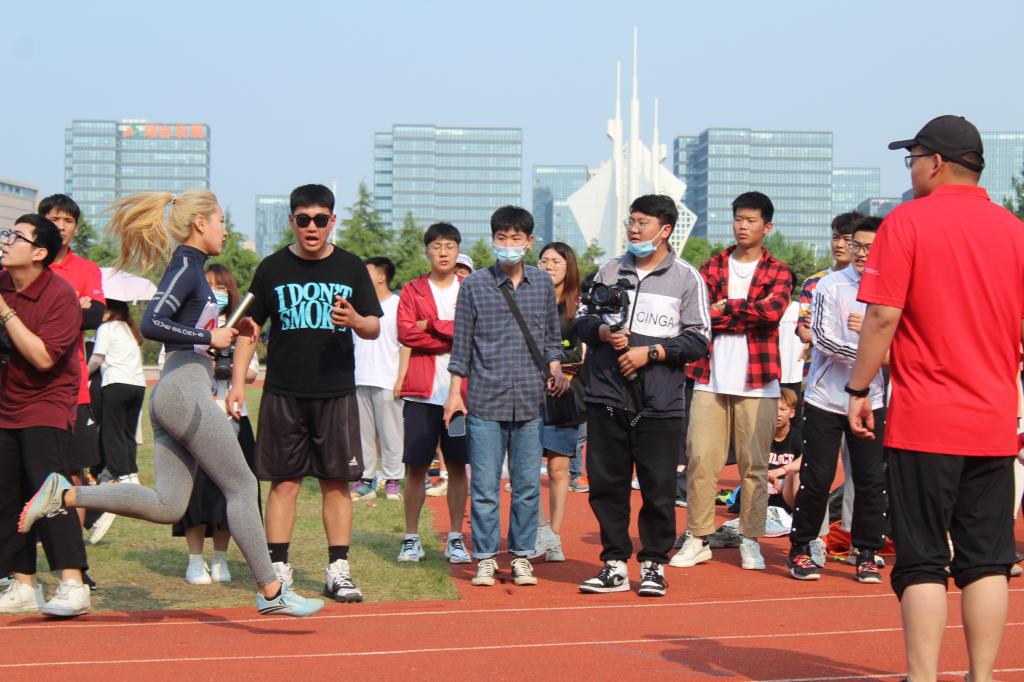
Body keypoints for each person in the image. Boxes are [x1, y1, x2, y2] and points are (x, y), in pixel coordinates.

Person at [19, 190, 324, 617]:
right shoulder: (185, 265)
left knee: (169, 504)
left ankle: (66, 495)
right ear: (200, 223)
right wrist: (209, 336)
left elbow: (184, 329)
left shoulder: (192, 267)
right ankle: (271, 591)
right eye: (220, 220)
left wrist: (225, 334)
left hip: (177, 390)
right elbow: (152, 322)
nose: (224, 230)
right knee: (241, 485)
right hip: (184, 392)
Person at [848, 115, 1024, 682]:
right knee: (988, 558)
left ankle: (922, 676)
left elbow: (882, 316)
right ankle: (982, 675)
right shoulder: (1014, 230)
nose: (912, 169)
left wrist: (858, 388)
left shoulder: (907, 222)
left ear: (937, 162)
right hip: (993, 418)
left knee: (922, 558)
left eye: (913, 158)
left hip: (925, 418)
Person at [227, 184, 382, 604]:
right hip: (284, 393)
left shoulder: (351, 267)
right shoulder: (272, 268)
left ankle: (338, 570)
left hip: (336, 392)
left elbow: (373, 326)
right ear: (291, 221)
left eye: (320, 219)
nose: (312, 227)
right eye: (303, 219)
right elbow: (248, 331)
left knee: (337, 483)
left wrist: (356, 320)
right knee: (284, 483)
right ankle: (277, 570)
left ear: (332, 221)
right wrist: (238, 383)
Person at [574, 195, 710, 596]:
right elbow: (581, 320)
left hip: (659, 402)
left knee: (658, 488)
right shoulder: (609, 269)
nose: (633, 229)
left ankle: (653, 564)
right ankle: (614, 564)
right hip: (606, 395)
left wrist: (650, 353)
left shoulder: (686, 278)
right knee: (607, 485)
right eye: (630, 222)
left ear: (665, 230)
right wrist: (602, 332)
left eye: (642, 223)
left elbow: (699, 339)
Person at [445, 206, 569, 588]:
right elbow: (461, 346)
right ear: (492, 240)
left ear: (529, 242)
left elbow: (551, 339)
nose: (509, 244)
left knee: (528, 487)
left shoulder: (542, 284)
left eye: (516, 238)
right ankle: (485, 557)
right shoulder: (474, 285)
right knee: (484, 487)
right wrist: (454, 395)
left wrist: (556, 367)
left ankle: (520, 556)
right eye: (502, 238)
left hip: (530, 402)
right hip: (484, 401)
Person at [673, 191, 793, 571]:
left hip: (758, 382)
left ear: (767, 226)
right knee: (700, 460)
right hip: (709, 377)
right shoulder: (711, 266)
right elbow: (700, 315)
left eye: (751, 220)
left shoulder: (779, 271)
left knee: (754, 466)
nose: (743, 226)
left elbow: (772, 312)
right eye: (738, 218)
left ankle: (750, 539)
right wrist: (738, 313)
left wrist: (728, 307)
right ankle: (698, 536)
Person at [0, 215, 91, 616]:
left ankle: (74, 583)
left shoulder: (60, 296)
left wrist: (4, 312)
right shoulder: (3, 282)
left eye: (16, 236)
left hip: (47, 403)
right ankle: (23, 584)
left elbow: (42, 358)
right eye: (7, 233)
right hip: (6, 402)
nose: (6, 241)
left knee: (49, 492)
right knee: (8, 494)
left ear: (39, 253)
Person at [788, 217, 887, 583]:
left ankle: (867, 552)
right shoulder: (830, 285)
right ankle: (802, 547)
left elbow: (904, 339)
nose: (861, 253)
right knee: (817, 477)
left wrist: (878, 344)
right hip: (825, 398)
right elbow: (823, 340)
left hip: (873, 398)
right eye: (857, 245)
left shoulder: (893, 287)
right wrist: (870, 350)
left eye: (869, 248)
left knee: (870, 478)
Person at [171, 264, 261, 584]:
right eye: (208, 285)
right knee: (195, 493)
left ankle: (221, 558)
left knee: (231, 493)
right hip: (196, 419)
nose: (215, 292)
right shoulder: (184, 326)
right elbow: (169, 366)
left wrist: (231, 366)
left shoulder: (241, 327)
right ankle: (195, 561)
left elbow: (253, 370)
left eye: (220, 287)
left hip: (233, 415)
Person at [396, 223, 471, 564]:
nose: (443, 252)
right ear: (427, 250)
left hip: (461, 396)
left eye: (449, 246)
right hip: (421, 395)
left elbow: (475, 332)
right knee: (416, 467)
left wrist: (432, 324)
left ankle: (455, 537)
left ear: (458, 251)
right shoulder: (413, 290)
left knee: (457, 466)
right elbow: (406, 333)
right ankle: (411, 538)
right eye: (437, 246)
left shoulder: (470, 289)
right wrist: (452, 337)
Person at [39, 194, 106, 540]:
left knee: (74, 473)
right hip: (25, 389)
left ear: (76, 228)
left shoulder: (87, 269)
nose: (61, 227)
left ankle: (73, 552)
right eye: (54, 219)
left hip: (71, 388)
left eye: (67, 221)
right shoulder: (22, 267)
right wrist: (72, 306)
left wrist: (45, 312)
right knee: (29, 473)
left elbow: (94, 316)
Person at [529, 242, 586, 563]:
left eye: (556, 261)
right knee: (526, 467)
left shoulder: (579, 306)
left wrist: (554, 367)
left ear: (569, 266)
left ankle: (555, 536)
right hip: (527, 393)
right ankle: (539, 530)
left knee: (559, 468)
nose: (549, 266)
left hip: (565, 396)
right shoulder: (527, 299)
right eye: (544, 260)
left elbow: (579, 353)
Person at [85, 298, 147, 545]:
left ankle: (120, 475)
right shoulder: (130, 330)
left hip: (116, 383)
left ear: (110, 311)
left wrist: (83, 374)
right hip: (137, 385)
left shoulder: (107, 328)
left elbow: (98, 357)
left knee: (112, 433)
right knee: (128, 433)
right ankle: (132, 475)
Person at [352, 256, 405, 502]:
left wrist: (401, 378)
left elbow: (405, 345)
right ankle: (366, 479)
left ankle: (392, 480)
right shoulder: (357, 306)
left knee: (391, 434)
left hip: (388, 379)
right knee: (363, 434)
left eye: (367, 272)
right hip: (360, 377)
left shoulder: (398, 304)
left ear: (382, 277)